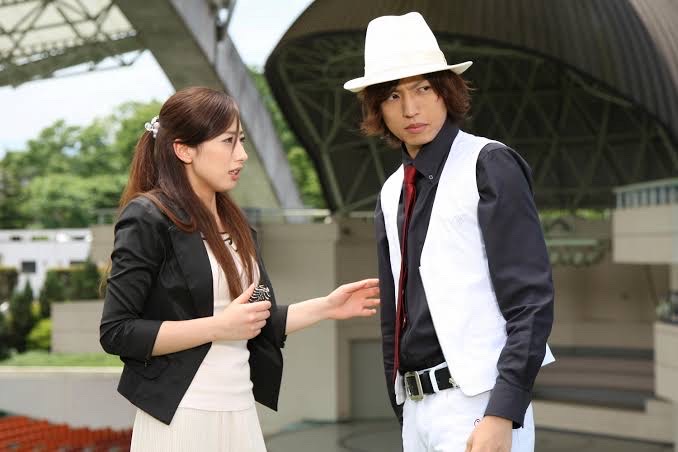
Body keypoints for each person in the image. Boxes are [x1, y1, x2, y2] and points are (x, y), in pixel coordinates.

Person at [99, 86, 380, 451]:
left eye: (242, 140)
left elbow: (254, 320)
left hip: (240, 410)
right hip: (182, 415)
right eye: (228, 141)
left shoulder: (237, 223)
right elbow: (117, 331)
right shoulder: (148, 216)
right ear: (184, 149)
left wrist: (326, 307)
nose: (242, 155)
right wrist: (220, 326)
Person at [344, 12, 555, 452]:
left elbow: (531, 301)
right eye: (393, 95)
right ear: (378, 108)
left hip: (478, 405)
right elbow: (394, 314)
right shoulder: (390, 192)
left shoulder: (488, 164)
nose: (410, 109)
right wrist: (403, 409)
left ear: (446, 90)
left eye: (423, 88)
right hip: (416, 409)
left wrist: (503, 411)